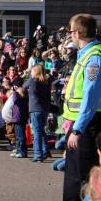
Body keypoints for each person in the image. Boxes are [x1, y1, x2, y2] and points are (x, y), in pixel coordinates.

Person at [63, 14, 101, 201]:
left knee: (80, 178)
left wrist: (78, 129)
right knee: (74, 174)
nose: (69, 35)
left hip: (86, 125)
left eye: (70, 31)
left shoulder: (93, 58)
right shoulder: (85, 55)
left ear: (77, 33)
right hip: (80, 123)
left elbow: (90, 98)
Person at [23, 64, 51, 162]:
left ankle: (38, 154)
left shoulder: (32, 81)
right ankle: (45, 150)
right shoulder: (46, 82)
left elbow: (23, 86)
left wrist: (29, 75)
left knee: (37, 132)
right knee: (41, 130)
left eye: (32, 71)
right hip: (44, 109)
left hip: (35, 108)